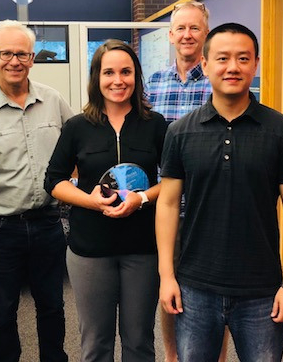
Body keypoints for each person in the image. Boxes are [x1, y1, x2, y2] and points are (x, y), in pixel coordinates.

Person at [157, 23, 283, 361]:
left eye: (243, 58)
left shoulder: (282, 131)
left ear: (255, 63)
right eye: (222, 58)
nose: (233, 67)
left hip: (261, 291)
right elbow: (167, 205)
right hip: (194, 289)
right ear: (206, 64)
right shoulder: (180, 132)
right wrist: (167, 276)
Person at [45, 39, 167, 361]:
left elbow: (172, 182)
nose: (118, 80)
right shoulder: (77, 127)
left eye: (126, 72)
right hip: (90, 251)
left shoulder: (155, 125)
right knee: (96, 343)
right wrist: (90, 201)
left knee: (139, 341)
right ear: (96, 78)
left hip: (143, 249)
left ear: (136, 77)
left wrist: (141, 198)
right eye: (108, 72)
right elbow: (53, 180)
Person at [0, 20, 74, 362]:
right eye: (6, 53)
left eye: (22, 53)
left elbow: (77, 151)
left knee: (52, 305)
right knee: (1, 311)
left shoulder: (54, 101)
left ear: (32, 57)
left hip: (48, 223)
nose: (15, 61)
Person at [146, 0, 233, 362]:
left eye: (194, 28)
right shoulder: (152, 84)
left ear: (205, 34)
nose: (187, 34)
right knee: (170, 289)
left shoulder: (220, 81)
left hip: (208, 207)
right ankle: (171, 356)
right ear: (170, 35)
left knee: (218, 291)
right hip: (165, 204)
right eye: (180, 28)